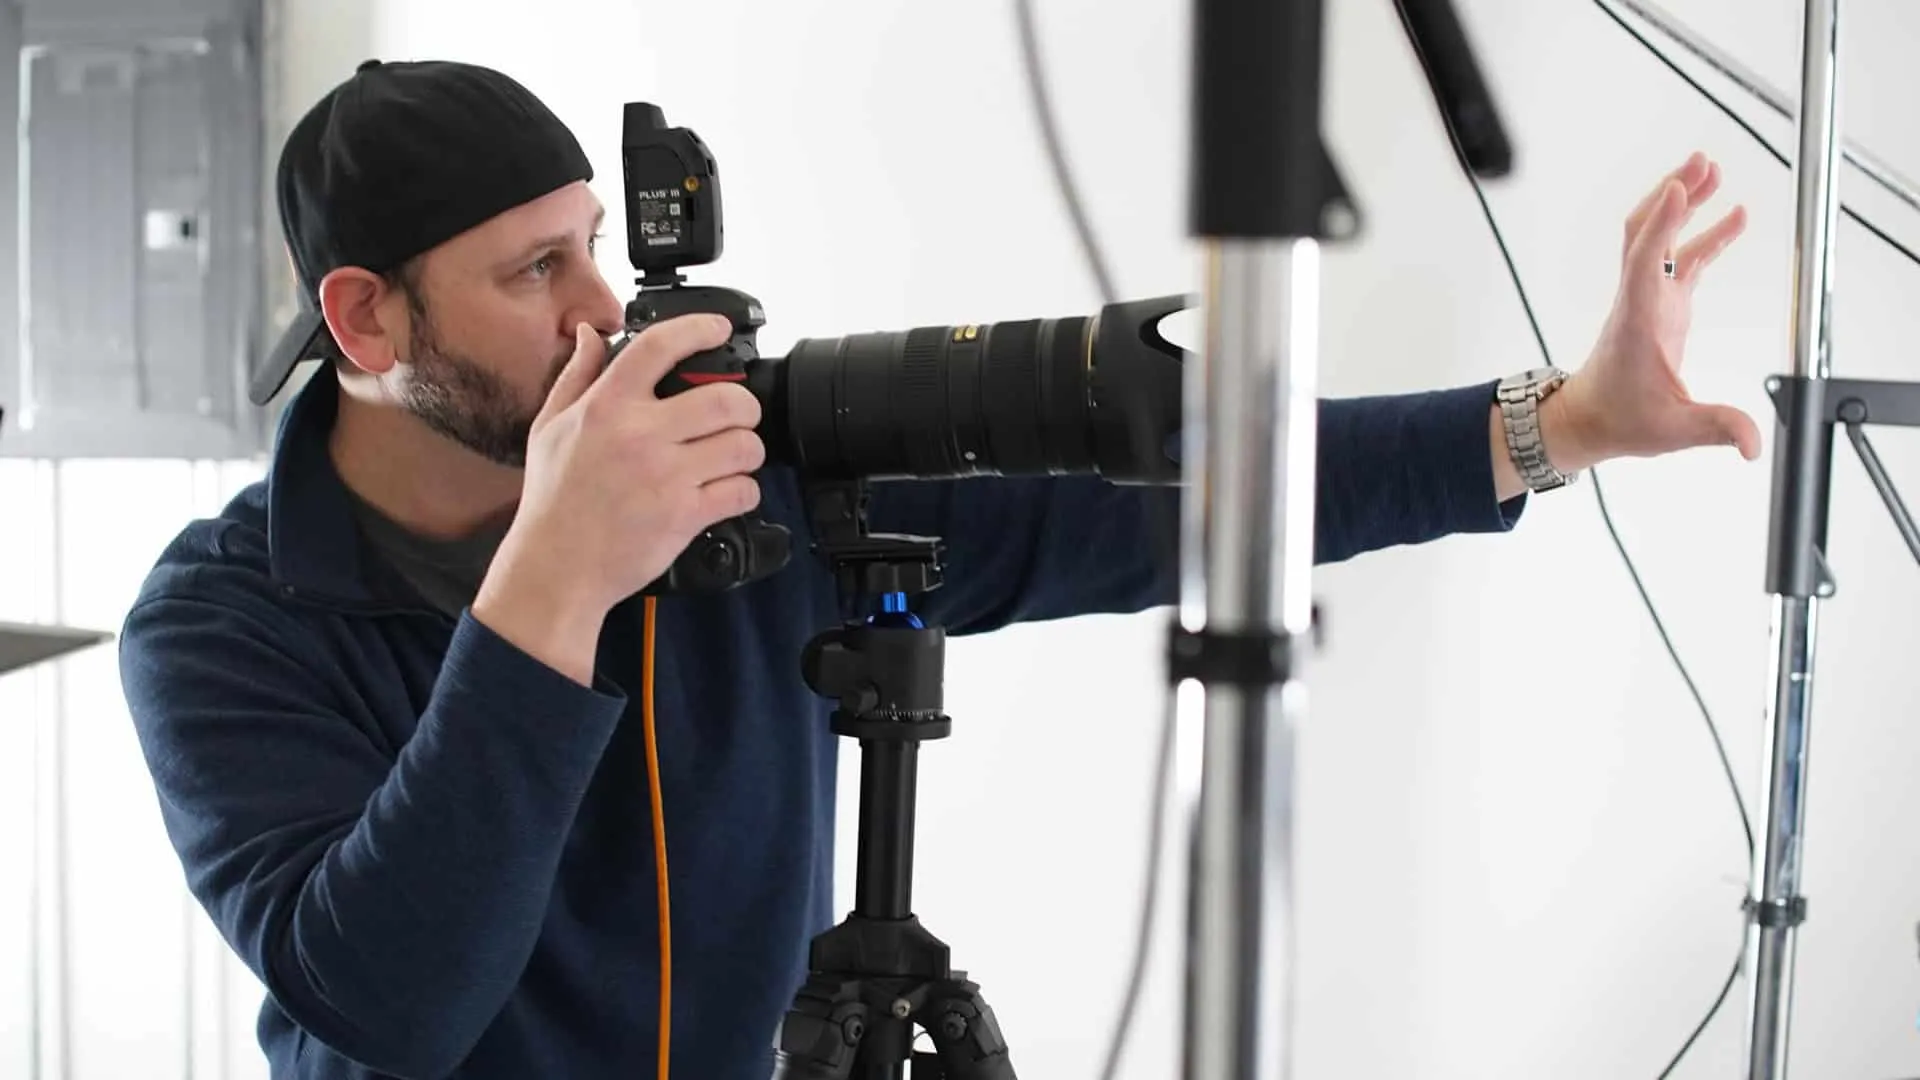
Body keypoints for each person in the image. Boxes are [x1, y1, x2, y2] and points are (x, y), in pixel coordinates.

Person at [117, 59, 1760, 1080]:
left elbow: (1175, 503)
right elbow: (394, 1002)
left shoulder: (738, 468)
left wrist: (1562, 422)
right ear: (365, 320)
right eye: (533, 269)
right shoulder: (218, 621)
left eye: (595, 246)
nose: (602, 312)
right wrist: (555, 575)